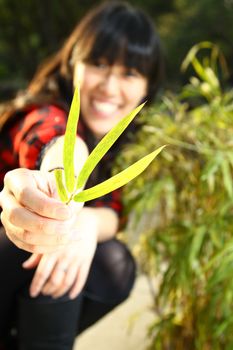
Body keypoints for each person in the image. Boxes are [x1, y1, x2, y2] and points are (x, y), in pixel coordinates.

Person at [0, 1, 163, 349]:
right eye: (99, 64)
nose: (109, 85)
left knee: (113, 262)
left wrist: (86, 221)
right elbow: (58, 141)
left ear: (147, 87)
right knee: (55, 238)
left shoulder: (121, 144)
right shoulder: (44, 111)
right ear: (72, 64)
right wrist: (58, 182)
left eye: (129, 72)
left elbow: (115, 211)